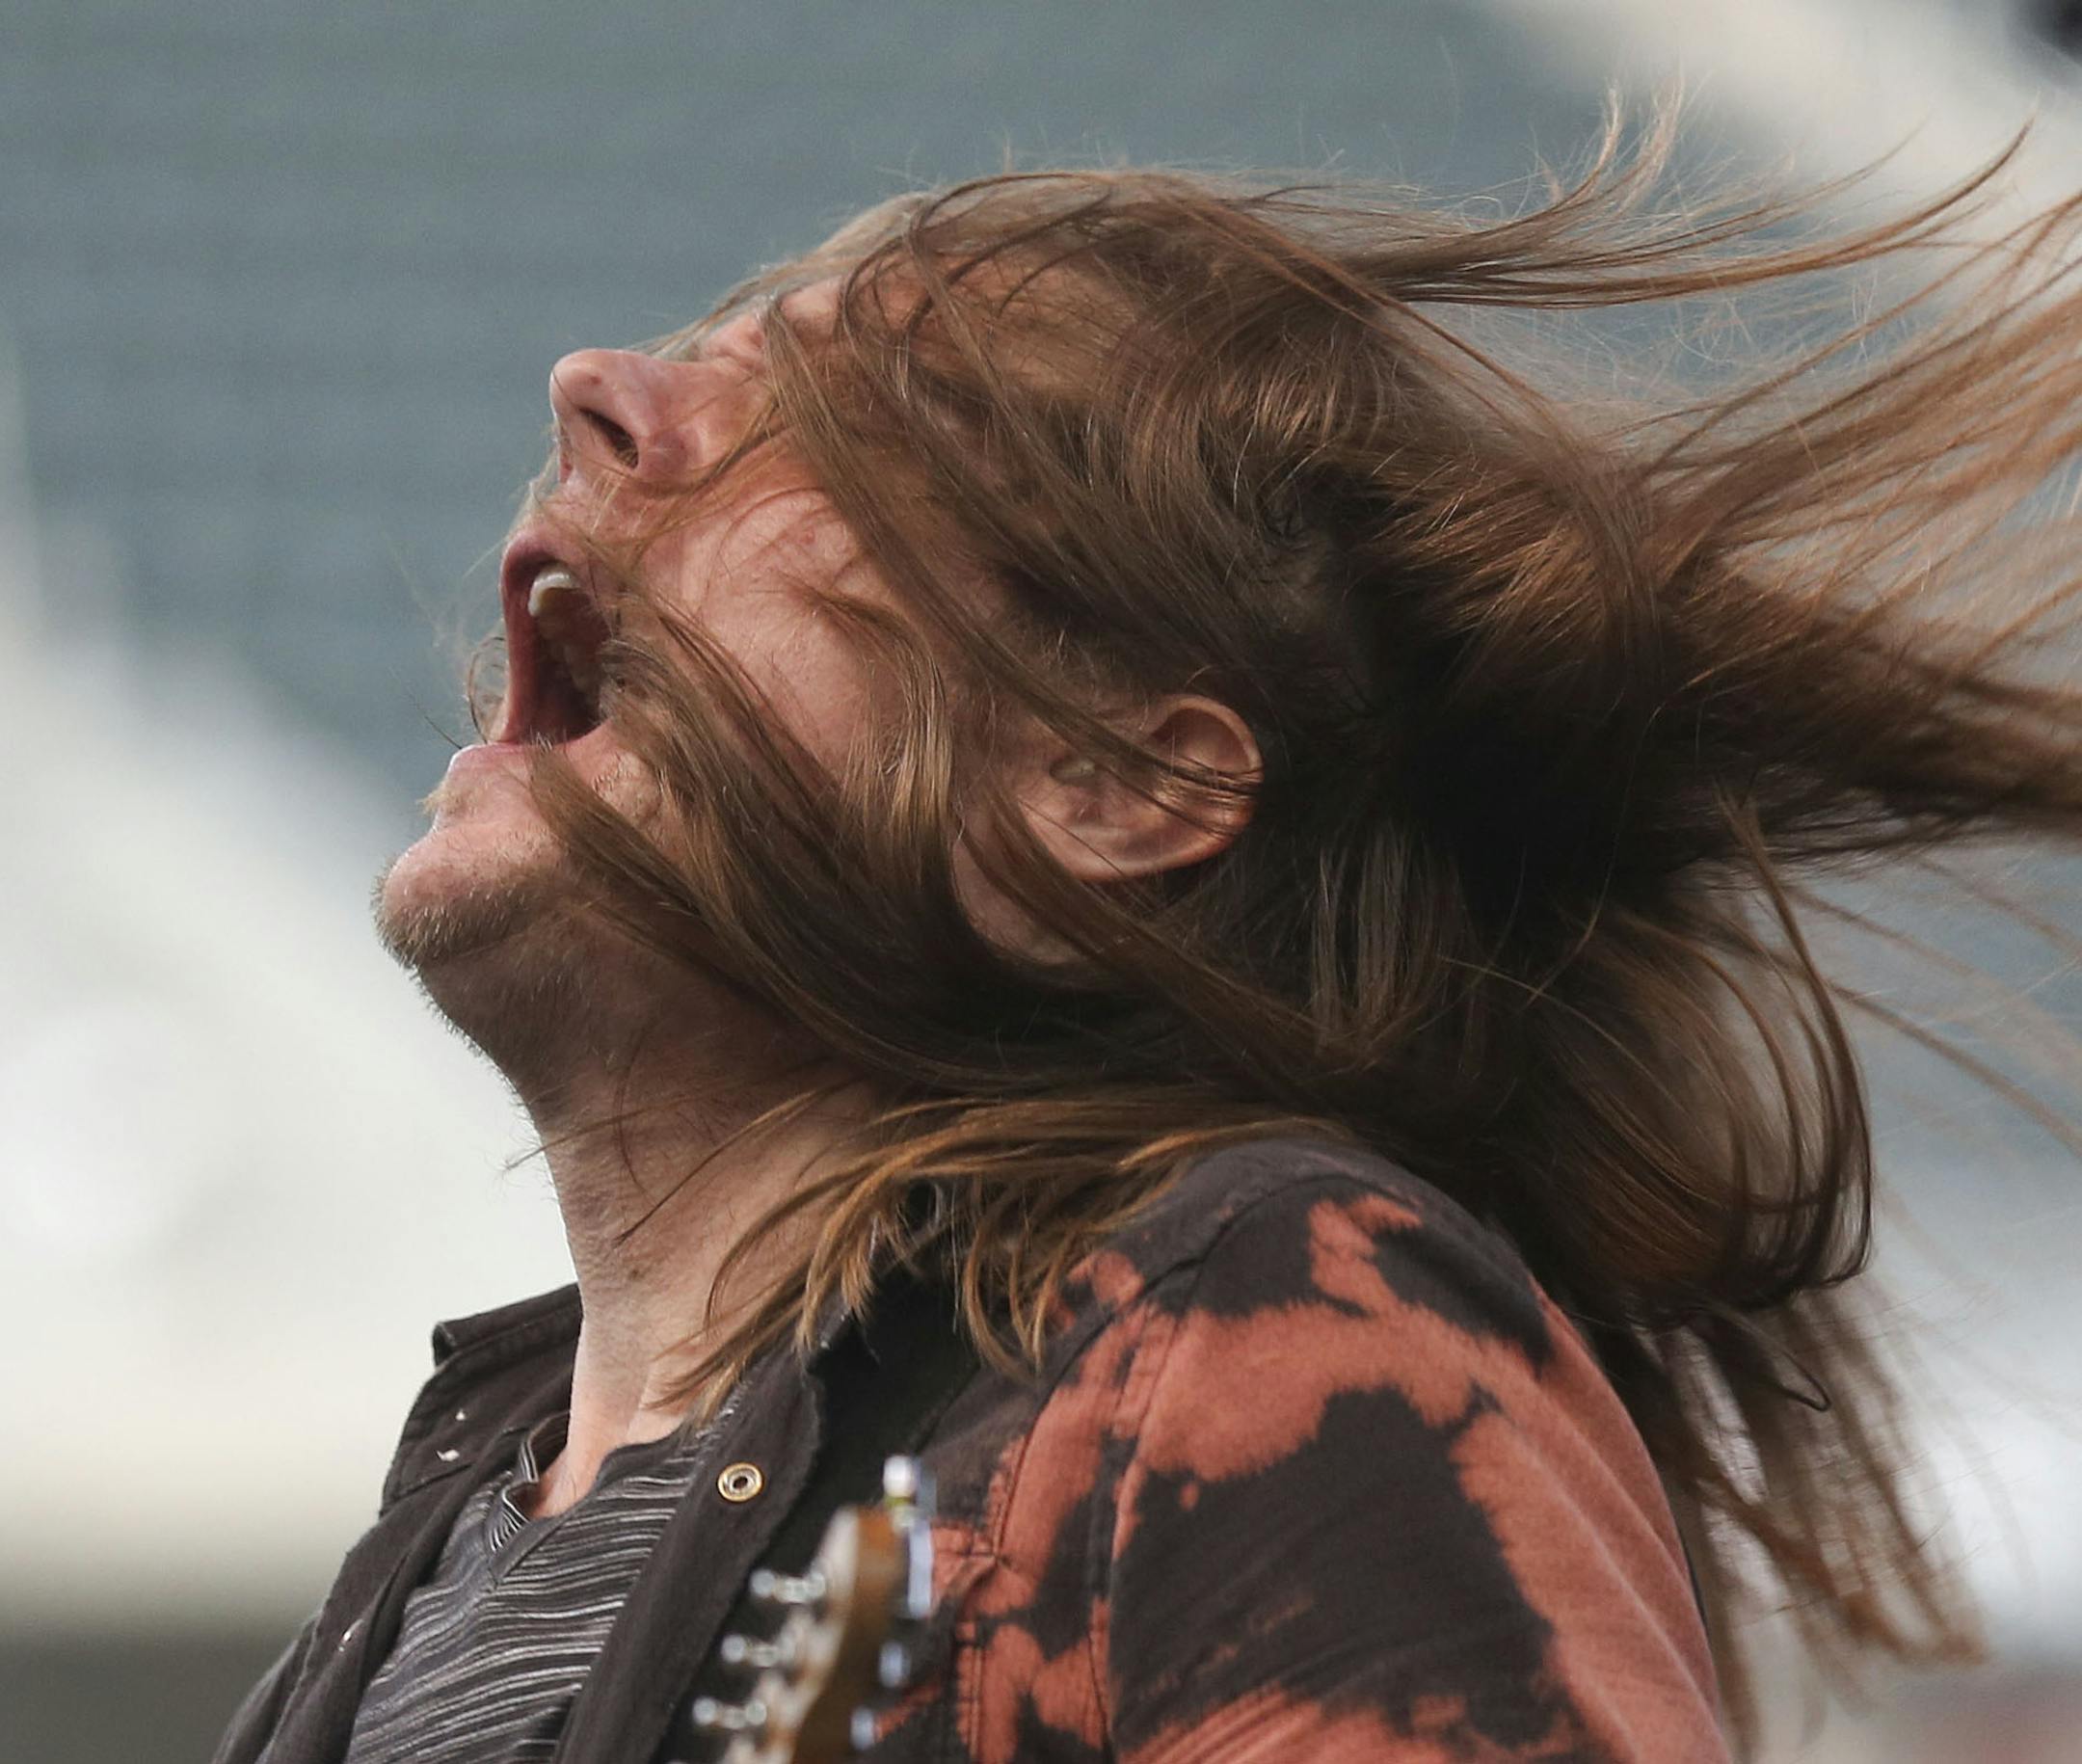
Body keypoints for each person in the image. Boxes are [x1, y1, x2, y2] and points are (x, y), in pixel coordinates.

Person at [214, 109, 2082, 1763]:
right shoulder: (454, 1533)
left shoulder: (1254, 1326)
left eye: (851, 427)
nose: (599, 387)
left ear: (1108, 781)